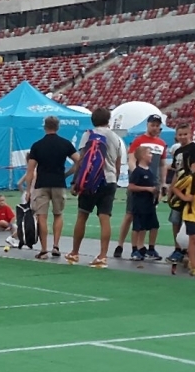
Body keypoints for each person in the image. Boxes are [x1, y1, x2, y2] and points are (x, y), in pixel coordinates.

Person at [65, 107, 125, 268]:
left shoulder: (88, 135)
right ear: (108, 119)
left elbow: (82, 160)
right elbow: (118, 165)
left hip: (90, 181)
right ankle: (103, 256)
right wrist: (114, 181)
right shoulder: (116, 138)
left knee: (82, 216)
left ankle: (74, 253)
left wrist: (75, 182)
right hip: (109, 179)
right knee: (105, 218)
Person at [22, 115, 78, 259]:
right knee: (58, 214)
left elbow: (30, 171)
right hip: (59, 183)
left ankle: (44, 249)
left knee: (42, 217)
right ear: (58, 127)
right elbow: (79, 161)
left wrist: (28, 189)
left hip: (41, 184)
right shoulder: (65, 144)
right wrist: (67, 174)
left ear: (45, 127)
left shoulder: (37, 145)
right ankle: (56, 246)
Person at [116, 114, 167, 258]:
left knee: (146, 215)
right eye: (153, 125)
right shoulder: (139, 140)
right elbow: (131, 159)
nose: (155, 128)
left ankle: (141, 246)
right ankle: (120, 244)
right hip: (140, 182)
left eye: (157, 125)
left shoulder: (162, 143)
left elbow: (162, 164)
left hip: (153, 184)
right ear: (148, 125)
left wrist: (162, 183)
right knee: (130, 214)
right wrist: (137, 174)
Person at [124, 145, 161, 261]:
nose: (151, 156)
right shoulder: (137, 172)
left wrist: (156, 193)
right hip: (139, 205)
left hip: (150, 205)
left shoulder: (150, 171)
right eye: (149, 153)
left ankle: (151, 248)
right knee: (138, 227)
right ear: (142, 156)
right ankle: (134, 250)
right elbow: (131, 187)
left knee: (154, 226)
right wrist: (147, 189)